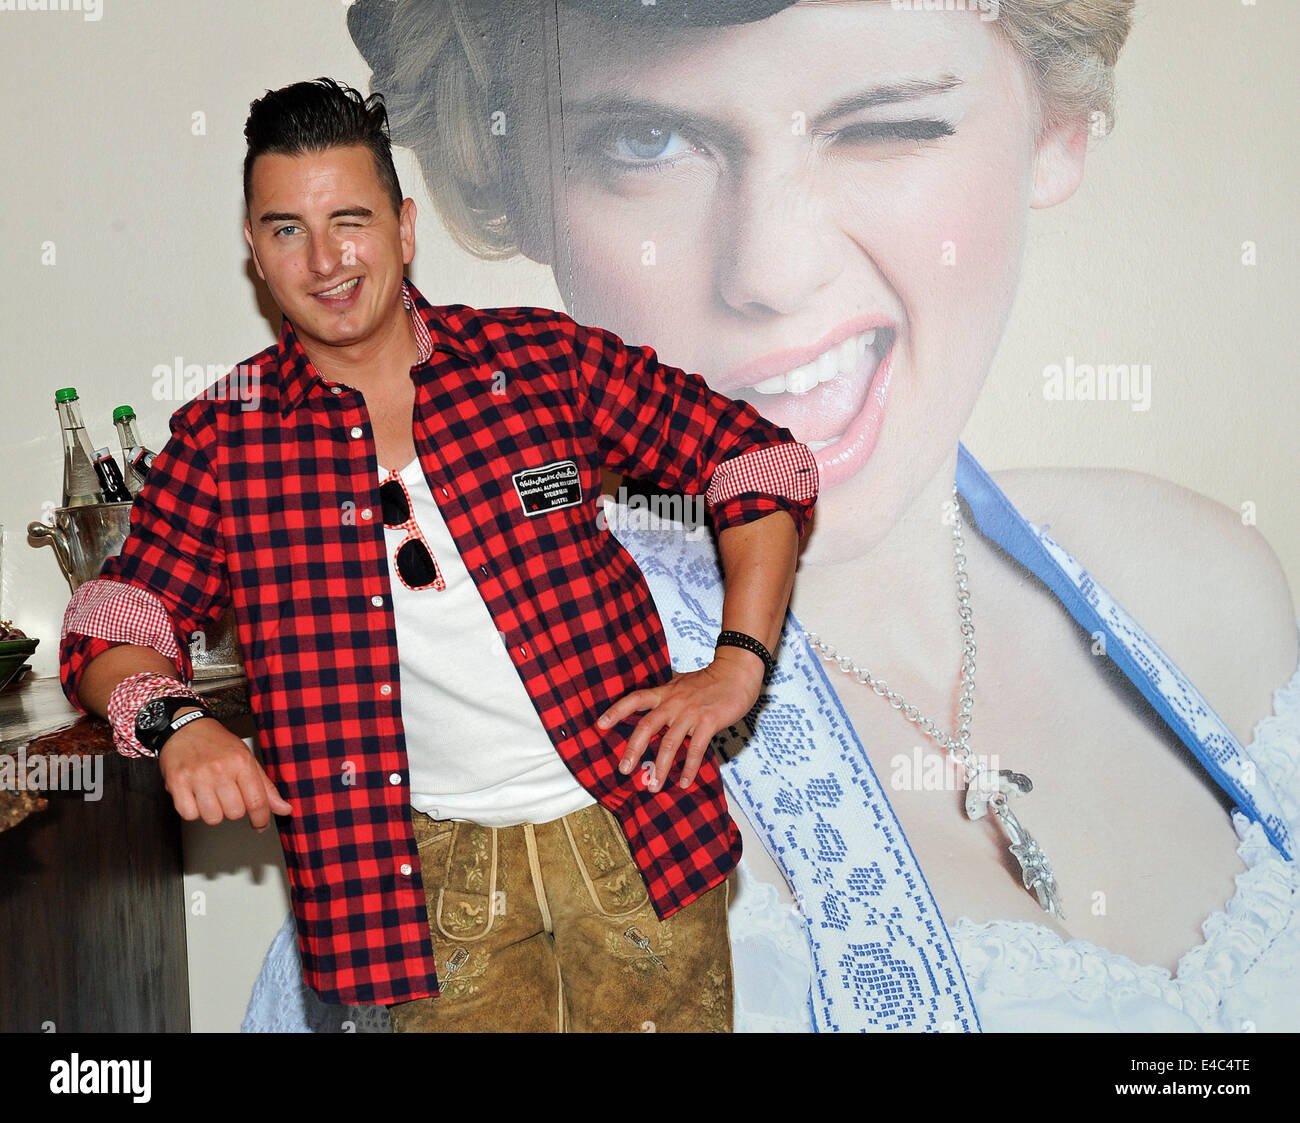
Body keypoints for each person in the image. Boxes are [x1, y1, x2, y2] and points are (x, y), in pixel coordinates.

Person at [309, 0, 1298, 1031]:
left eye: (884, 124)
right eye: (644, 142)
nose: (771, 273)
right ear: (514, 180)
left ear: (1054, 126)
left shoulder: (1204, 583)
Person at [57, 76, 819, 1033]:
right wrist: (178, 723)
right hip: (425, 892)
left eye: (351, 219)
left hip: (633, 836)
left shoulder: (540, 363)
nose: (326, 258)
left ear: (405, 228)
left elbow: (757, 460)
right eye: (287, 228)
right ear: (254, 251)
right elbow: (108, 621)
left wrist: (739, 664)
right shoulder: (225, 438)